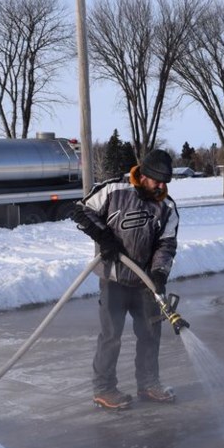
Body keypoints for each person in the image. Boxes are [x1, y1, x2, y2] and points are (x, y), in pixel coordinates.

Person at [71, 149, 179, 410]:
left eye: (166, 182)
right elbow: (81, 211)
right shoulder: (114, 191)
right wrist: (105, 238)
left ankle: (149, 384)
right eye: (157, 180)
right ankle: (104, 389)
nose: (161, 186)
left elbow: (166, 244)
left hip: (145, 284)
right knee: (111, 336)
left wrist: (159, 274)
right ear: (143, 175)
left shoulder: (167, 207)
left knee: (150, 334)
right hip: (114, 280)